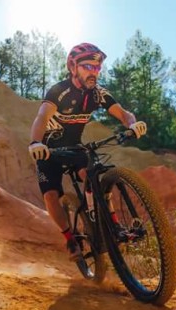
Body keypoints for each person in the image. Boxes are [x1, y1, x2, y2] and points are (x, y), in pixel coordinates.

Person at [29, 42, 147, 262]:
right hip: (49, 152)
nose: (94, 72)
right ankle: (70, 237)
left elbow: (123, 114)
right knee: (50, 195)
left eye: (97, 68)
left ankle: (110, 222)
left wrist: (133, 123)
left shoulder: (98, 94)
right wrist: (36, 143)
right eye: (88, 67)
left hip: (75, 147)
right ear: (73, 66)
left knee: (92, 177)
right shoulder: (59, 91)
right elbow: (42, 118)